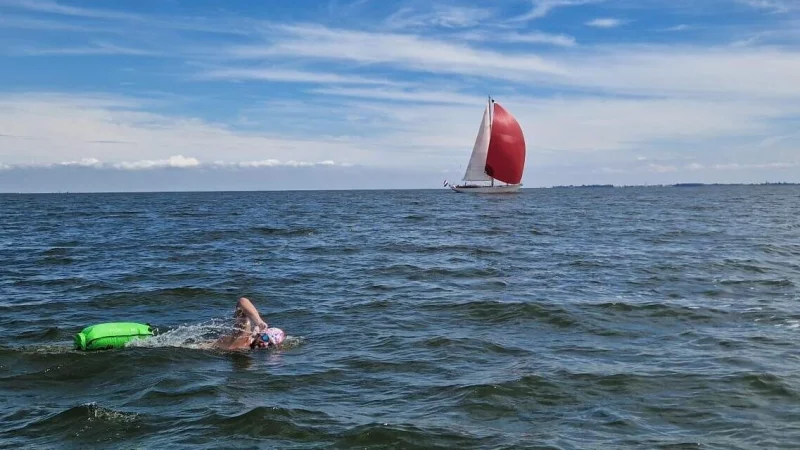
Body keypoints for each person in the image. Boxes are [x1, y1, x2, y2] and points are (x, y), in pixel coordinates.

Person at [214, 297, 286, 351]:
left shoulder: (250, 348)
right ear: (261, 333)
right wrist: (259, 322)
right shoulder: (243, 336)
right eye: (266, 338)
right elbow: (242, 301)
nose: (265, 344)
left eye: (270, 344)